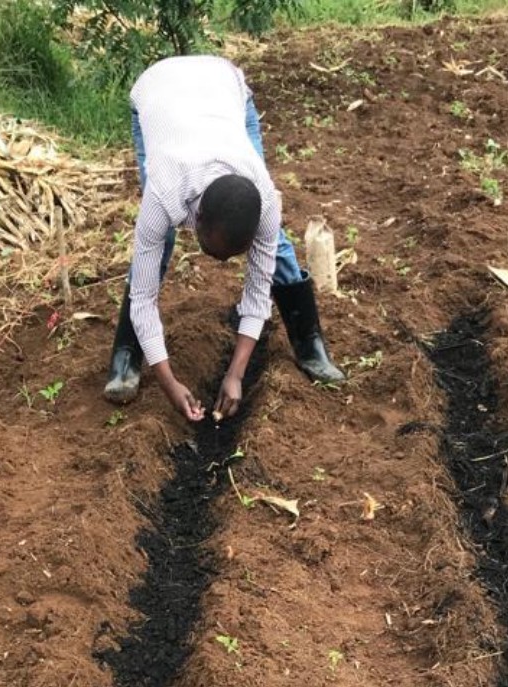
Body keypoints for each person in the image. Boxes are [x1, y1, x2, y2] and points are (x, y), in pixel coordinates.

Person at [105, 54, 345, 423]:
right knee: (157, 247)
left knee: (276, 245)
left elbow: (257, 288)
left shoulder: (264, 198)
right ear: (195, 218)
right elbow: (143, 297)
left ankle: (309, 342)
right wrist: (169, 382)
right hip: (158, 95)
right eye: (214, 250)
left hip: (224, 91)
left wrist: (236, 373)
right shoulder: (164, 192)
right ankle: (127, 353)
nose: (220, 264)